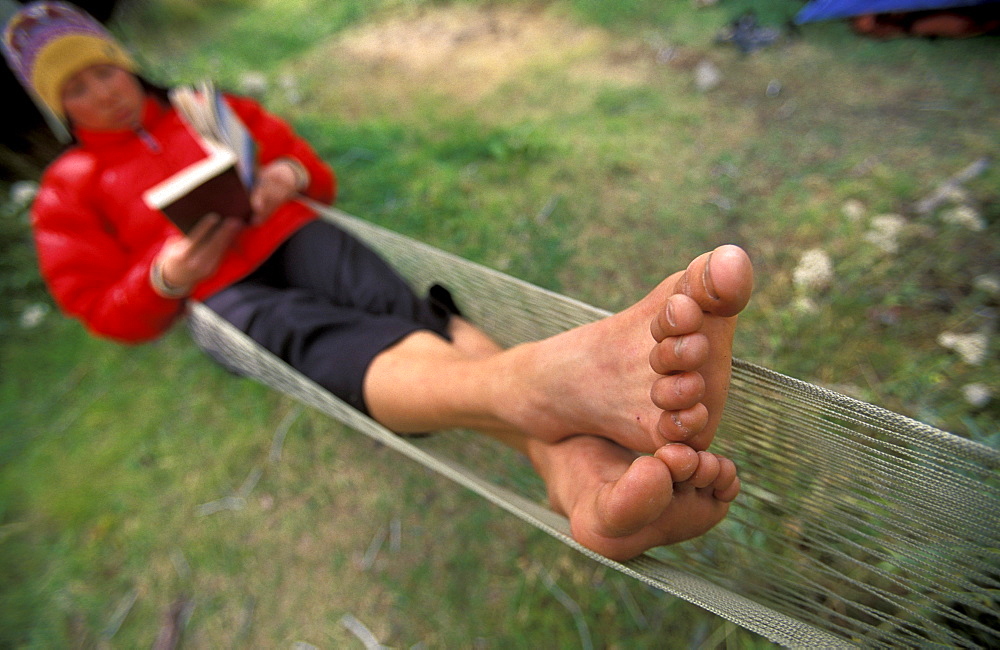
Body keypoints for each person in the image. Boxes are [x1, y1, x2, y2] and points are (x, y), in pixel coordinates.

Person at [3, 1, 754, 562]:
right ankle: (542, 392)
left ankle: (566, 462)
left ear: (125, 61)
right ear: (57, 109)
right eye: (77, 89)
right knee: (335, 340)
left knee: (398, 305)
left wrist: (284, 177)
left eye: (104, 69)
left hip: (289, 231)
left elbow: (312, 173)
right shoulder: (70, 187)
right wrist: (164, 275)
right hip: (224, 298)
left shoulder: (204, 109)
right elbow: (106, 312)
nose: (101, 92)